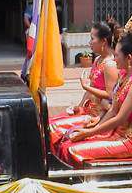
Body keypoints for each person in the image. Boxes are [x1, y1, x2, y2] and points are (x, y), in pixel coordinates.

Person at [57, 27, 132, 167]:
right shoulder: (125, 76)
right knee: (68, 140)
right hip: (115, 132)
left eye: (117, 55)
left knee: (71, 149)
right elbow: (113, 110)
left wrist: (88, 133)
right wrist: (92, 130)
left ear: (129, 58)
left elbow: (119, 118)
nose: (115, 58)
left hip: (128, 139)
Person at [48, 22, 119, 154]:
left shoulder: (110, 65)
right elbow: (90, 89)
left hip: (97, 116)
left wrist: (86, 86)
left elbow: (110, 95)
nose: (90, 42)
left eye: (92, 38)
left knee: (53, 128)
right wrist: (79, 106)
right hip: (87, 110)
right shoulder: (98, 60)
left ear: (103, 41)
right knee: (51, 122)